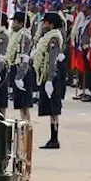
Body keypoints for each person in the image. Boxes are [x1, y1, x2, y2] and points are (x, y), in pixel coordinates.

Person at [33, 11, 66, 149]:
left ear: (51, 24)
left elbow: (52, 61)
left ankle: (54, 139)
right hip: (48, 75)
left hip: (52, 77)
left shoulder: (53, 39)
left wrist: (49, 79)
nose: (43, 25)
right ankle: (53, 138)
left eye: (45, 22)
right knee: (51, 110)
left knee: (54, 110)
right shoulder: (48, 36)